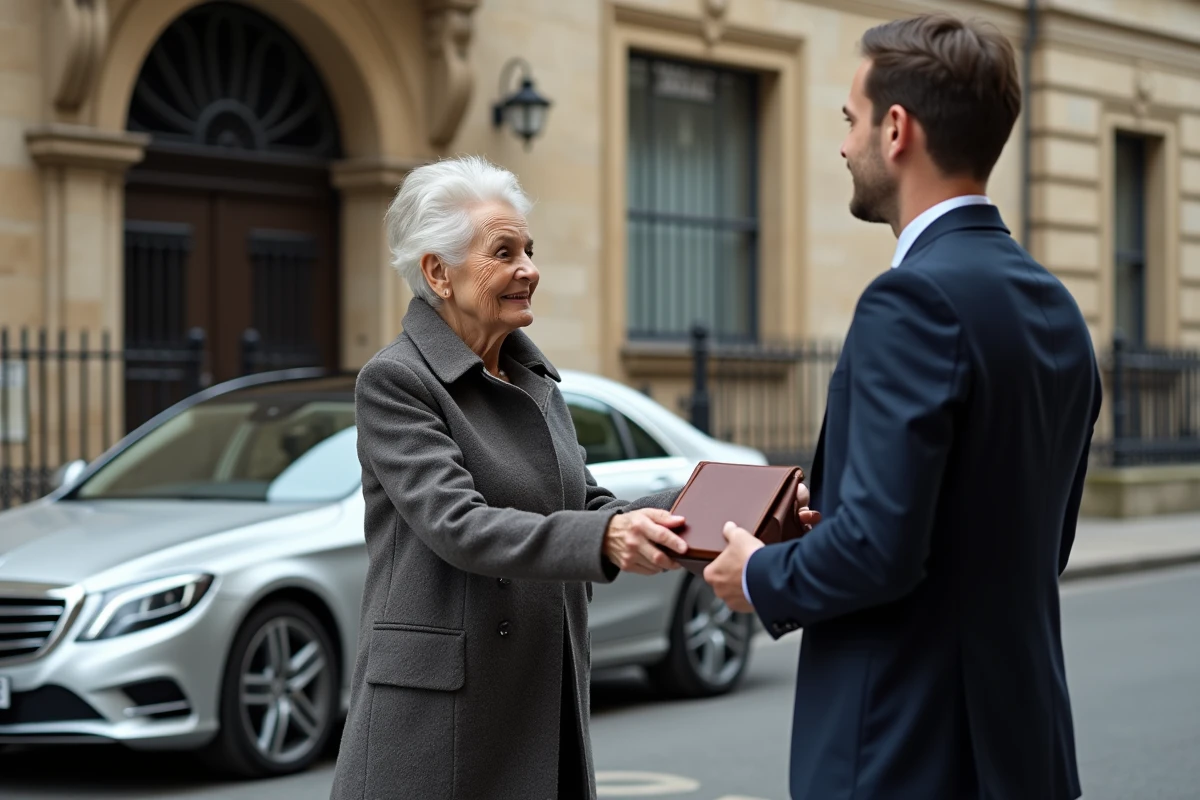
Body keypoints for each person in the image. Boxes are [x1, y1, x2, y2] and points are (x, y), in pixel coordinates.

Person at [704, 13, 1101, 800]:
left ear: (896, 129)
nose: (842, 145)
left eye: (849, 121)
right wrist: (850, 515)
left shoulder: (909, 299)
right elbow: (1032, 543)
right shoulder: (1057, 308)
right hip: (1024, 751)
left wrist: (760, 573)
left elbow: (877, 553)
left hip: (904, 752)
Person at [328, 155, 689, 800]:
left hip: (538, 688)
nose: (530, 269)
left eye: (528, 248)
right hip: (440, 718)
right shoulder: (396, 382)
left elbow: (588, 504)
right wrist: (603, 540)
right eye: (504, 252)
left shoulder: (533, 380)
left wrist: (722, 506)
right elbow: (458, 526)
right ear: (439, 272)